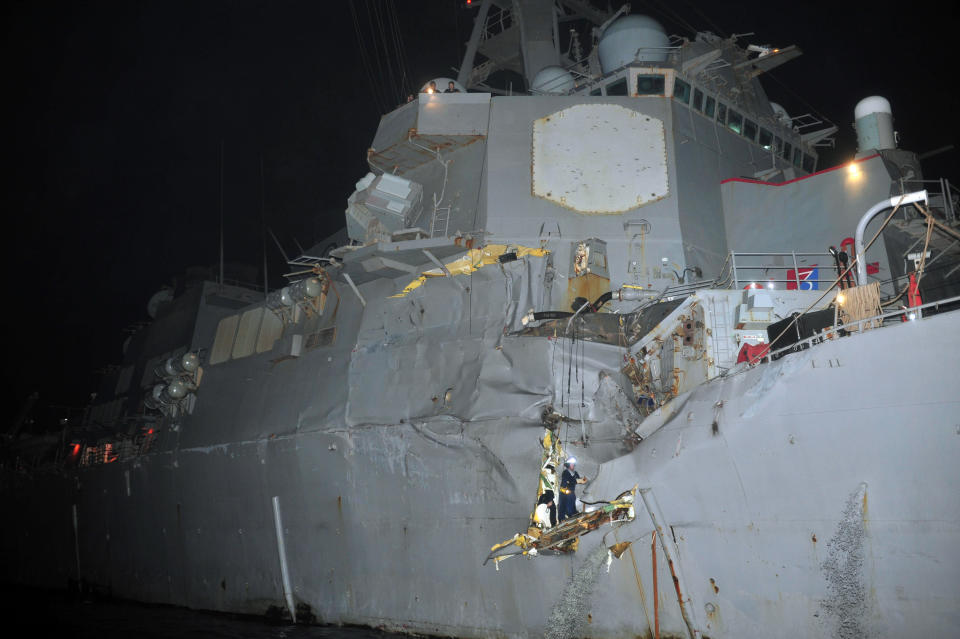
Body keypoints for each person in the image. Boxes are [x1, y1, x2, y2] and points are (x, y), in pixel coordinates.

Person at [558, 457, 587, 522]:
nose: (572, 465)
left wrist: (583, 480)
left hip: (571, 493)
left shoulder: (575, 473)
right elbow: (570, 480)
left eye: (573, 464)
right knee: (563, 508)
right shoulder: (565, 472)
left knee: (572, 505)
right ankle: (562, 520)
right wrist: (579, 480)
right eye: (571, 464)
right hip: (564, 493)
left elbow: (578, 480)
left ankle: (573, 515)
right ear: (568, 465)